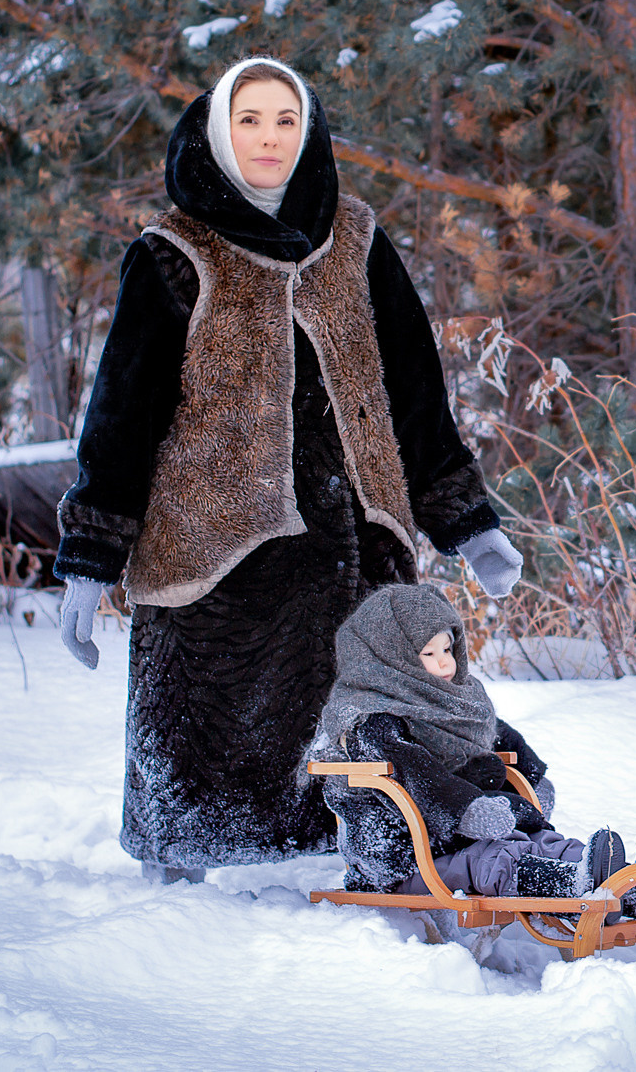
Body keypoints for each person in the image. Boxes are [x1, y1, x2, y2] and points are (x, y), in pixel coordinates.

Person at [51, 56, 526, 884]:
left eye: (285, 121)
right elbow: (119, 420)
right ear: (215, 131)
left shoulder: (359, 241)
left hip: (356, 548)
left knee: (366, 729)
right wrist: (90, 562)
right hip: (214, 565)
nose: (269, 138)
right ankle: (177, 893)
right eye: (249, 120)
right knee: (205, 748)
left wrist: (467, 520)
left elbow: (415, 390)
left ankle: (383, 869)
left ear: (308, 131)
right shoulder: (172, 253)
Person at [307, 584, 636, 918]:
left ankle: (628, 886)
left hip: (461, 835)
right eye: (428, 652)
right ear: (389, 660)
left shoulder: (450, 701)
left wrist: (533, 777)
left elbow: (495, 734)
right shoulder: (366, 721)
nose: (444, 662)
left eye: (448, 649)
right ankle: (577, 886)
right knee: (497, 859)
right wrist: (465, 810)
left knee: (537, 840)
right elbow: (411, 770)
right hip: (405, 858)